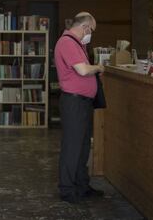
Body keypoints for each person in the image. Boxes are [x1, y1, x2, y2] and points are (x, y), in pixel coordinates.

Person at [54, 12, 105, 204]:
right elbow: (82, 70)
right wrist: (98, 67)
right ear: (84, 27)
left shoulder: (78, 44)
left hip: (82, 102)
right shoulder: (67, 42)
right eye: (91, 30)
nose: (90, 33)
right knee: (72, 147)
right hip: (74, 102)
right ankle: (67, 190)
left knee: (83, 147)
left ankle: (82, 185)